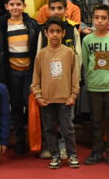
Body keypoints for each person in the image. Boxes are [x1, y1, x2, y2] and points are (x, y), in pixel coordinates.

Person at [0, 0, 40, 154]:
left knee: (32, 107)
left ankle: (35, 142)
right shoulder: (1, 27)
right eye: (12, 4)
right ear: (6, 6)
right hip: (11, 73)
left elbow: (37, 50)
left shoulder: (32, 25)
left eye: (18, 4)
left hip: (29, 73)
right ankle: (19, 142)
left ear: (24, 5)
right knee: (16, 108)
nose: (15, 7)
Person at [31, 17, 81, 169]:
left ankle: (72, 154)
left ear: (63, 33)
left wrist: (73, 95)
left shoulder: (69, 53)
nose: (54, 34)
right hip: (47, 100)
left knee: (68, 129)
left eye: (58, 31)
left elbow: (75, 77)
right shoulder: (41, 55)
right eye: (51, 31)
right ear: (46, 33)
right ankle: (55, 154)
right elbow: (36, 79)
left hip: (65, 99)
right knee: (49, 129)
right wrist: (38, 96)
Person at [82, 4, 109, 166]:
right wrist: (91, 77)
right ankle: (96, 150)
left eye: (103, 18)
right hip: (94, 86)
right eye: (97, 18)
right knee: (96, 120)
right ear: (92, 19)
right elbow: (85, 61)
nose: (99, 21)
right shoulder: (87, 40)